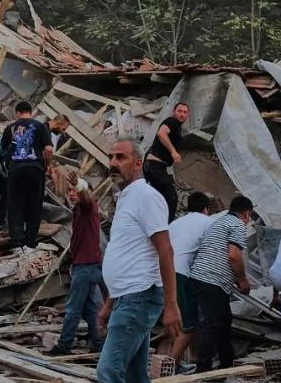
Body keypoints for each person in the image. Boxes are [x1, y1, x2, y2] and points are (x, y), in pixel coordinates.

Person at [97, 138, 181, 383]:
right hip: (128, 296)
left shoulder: (146, 196)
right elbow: (130, 256)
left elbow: (165, 251)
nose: (113, 163)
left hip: (139, 296)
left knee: (108, 372)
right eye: (111, 157)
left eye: (120, 157)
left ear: (137, 163)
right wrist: (108, 305)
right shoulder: (126, 197)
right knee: (135, 375)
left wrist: (171, 304)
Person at [188, 195, 253, 373]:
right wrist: (243, 280)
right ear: (246, 214)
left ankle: (226, 363)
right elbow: (233, 255)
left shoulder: (219, 222)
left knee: (224, 320)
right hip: (212, 279)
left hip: (201, 276)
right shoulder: (237, 224)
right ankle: (203, 369)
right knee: (212, 323)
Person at [49, 171, 104, 355]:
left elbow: (86, 199)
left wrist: (80, 187)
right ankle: (98, 344)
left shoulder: (89, 207)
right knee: (90, 309)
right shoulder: (78, 211)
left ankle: (64, 346)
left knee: (72, 308)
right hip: (87, 265)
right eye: (70, 190)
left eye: (75, 190)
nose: (71, 193)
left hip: (87, 266)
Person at [166, 191, 213, 368]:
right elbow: (210, 252)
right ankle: (167, 368)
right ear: (205, 209)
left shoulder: (175, 223)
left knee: (174, 320)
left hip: (161, 272)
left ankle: (185, 360)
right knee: (190, 326)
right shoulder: (207, 222)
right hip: (180, 273)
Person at [1, 101, 53, 252]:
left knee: (15, 205)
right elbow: (48, 149)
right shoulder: (41, 126)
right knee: (34, 205)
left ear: (17, 113)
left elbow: (4, 147)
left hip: (16, 169)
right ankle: (30, 242)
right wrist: (47, 164)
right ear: (31, 112)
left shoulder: (10, 127)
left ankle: (17, 242)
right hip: (35, 169)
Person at [144, 103, 189, 222]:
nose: (182, 114)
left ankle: (154, 223)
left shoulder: (177, 127)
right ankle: (167, 228)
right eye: (179, 111)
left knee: (158, 198)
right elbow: (161, 133)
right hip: (155, 166)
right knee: (171, 198)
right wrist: (173, 152)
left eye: (185, 112)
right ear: (174, 112)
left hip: (154, 166)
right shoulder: (172, 121)